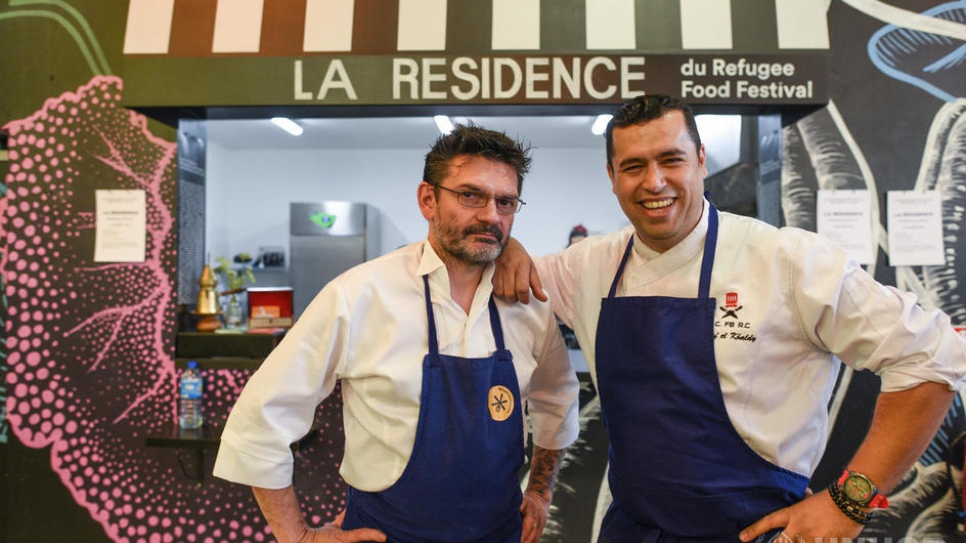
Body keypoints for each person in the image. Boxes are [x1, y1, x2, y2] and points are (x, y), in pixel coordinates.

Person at [492, 95, 966, 543]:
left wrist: (848, 504)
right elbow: (477, 267)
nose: (654, 181)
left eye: (671, 160)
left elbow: (931, 356)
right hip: (633, 529)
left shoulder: (787, 260)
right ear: (612, 177)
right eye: (633, 166)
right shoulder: (588, 266)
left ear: (700, 160)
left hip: (758, 531)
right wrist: (506, 244)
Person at [214, 123, 580, 543]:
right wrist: (297, 536)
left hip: (501, 533)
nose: (490, 215)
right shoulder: (359, 295)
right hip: (385, 534)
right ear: (428, 199)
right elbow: (259, 421)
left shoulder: (528, 305)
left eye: (506, 201)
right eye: (470, 195)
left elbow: (558, 399)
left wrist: (539, 490)